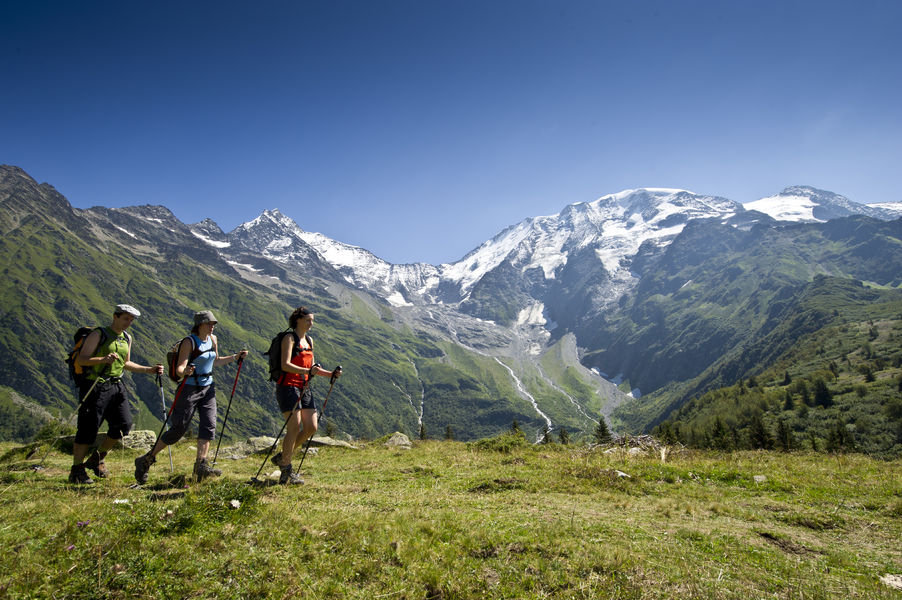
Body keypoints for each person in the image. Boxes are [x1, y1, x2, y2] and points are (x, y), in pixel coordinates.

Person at [134, 310, 247, 484]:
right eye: (210, 324)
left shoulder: (213, 340)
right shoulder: (189, 342)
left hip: (208, 387)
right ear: (200, 324)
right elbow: (180, 368)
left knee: (209, 425)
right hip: (189, 389)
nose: (212, 327)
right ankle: (147, 459)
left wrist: (235, 357)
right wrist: (185, 371)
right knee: (178, 429)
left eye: (213, 324)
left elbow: (215, 361)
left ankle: (201, 466)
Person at [70, 304, 164, 485]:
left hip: (116, 385)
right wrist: (103, 359)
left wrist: (149, 370)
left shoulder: (126, 338)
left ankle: (97, 458)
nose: (129, 323)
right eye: (125, 318)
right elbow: (82, 359)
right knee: (88, 429)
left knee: (123, 424)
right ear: (115, 317)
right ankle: (76, 470)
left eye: (131, 320)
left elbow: (125, 363)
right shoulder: (98, 334)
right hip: (95, 384)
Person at [271, 306, 341, 484]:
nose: (311, 324)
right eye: (308, 320)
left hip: (304, 387)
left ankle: (283, 456)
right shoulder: (289, 338)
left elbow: (313, 369)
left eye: (312, 320)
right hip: (287, 387)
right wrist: (307, 371)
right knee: (294, 428)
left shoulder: (309, 340)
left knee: (311, 427)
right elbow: (285, 365)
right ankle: (286, 470)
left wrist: (330, 374)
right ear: (298, 320)